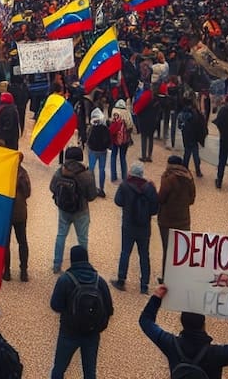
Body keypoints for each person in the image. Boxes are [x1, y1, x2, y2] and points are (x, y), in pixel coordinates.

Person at [139, 285, 228, 376]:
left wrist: (156, 297)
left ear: (182, 323)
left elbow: (146, 321)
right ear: (203, 324)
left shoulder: (171, 344)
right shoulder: (216, 354)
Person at [49, 245, 113, 379]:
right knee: (89, 373)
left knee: (59, 370)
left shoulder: (65, 280)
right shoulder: (99, 281)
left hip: (69, 332)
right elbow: (110, 309)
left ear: (72, 260)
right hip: (92, 334)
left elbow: (55, 305)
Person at [112, 162, 159, 294]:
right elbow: (155, 209)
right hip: (144, 227)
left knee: (125, 252)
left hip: (128, 225)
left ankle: (121, 280)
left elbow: (118, 201)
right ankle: (144, 285)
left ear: (131, 173)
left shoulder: (125, 185)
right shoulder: (149, 187)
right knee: (144, 255)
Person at [50, 147, 98, 274]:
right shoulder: (86, 174)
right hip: (81, 210)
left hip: (64, 210)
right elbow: (92, 196)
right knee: (82, 239)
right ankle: (83, 267)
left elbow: (52, 187)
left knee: (61, 235)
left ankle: (56, 264)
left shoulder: (61, 171)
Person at [156, 155, 195, 279]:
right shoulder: (189, 178)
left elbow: (161, 198)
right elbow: (191, 200)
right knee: (181, 252)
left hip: (167, 221)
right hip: (184, 221)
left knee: (167, 251)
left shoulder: (168, 178)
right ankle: (180, 277)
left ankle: (166, 277)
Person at [4, 161, 30, 282]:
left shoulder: (3, 172)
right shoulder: (23, 173)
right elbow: (28, 193)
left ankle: (7, 272)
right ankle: (23, 272)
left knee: (5, 244)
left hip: (6, 212)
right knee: (22, 242)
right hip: (20, 213)